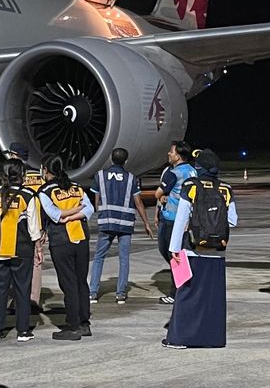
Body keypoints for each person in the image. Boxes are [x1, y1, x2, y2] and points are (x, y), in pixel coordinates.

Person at [163, 149, 238, 348]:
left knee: (187, 295)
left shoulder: (191, 186)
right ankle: (213, 338)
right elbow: (233, 220)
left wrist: (174, 248)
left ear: (199, 167)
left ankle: (179, 338)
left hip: (193, 250)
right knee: (212, 298)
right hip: (218, 253)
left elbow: (181, 219)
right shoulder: (225, 189)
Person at [40, 155, 95, 340]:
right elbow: (89, 209)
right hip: (81, 237)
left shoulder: (45, 191)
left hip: (62, 240)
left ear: (45, 170)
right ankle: (84, 323)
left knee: (68, 283)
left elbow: (55, 215)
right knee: (81, 281)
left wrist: (67, 216)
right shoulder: (76, 187)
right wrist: (76, 213)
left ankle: (73, 326)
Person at [90, 147, 152, 306]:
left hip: (106, 221)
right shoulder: (131, 178)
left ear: (111, 159)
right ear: (126, 161)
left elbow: (96, 200)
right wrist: (146, 222)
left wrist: (100, 214)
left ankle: (93, 293)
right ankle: (120, 294)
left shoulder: (100, 176)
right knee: (124, 259)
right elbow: (138, 202)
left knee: (99, 257)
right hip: (125, 223)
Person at [0, 158, 41, 342]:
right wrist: (39, 248)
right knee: (22, 290)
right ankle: (23, 331)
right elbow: (34, 227)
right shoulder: (28, 195)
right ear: (22, 174)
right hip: (22, 249)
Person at [154, 141, 196, 305]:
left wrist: (163, 197)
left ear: (178, 156)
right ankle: (183, 285)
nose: (169, 154)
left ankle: (176, 291)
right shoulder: (192, 170)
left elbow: (158, 193)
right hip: (186, 218)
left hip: (171, 219)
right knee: (178, 253)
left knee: (170, 254)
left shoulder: (173, 173)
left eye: (171, 152)